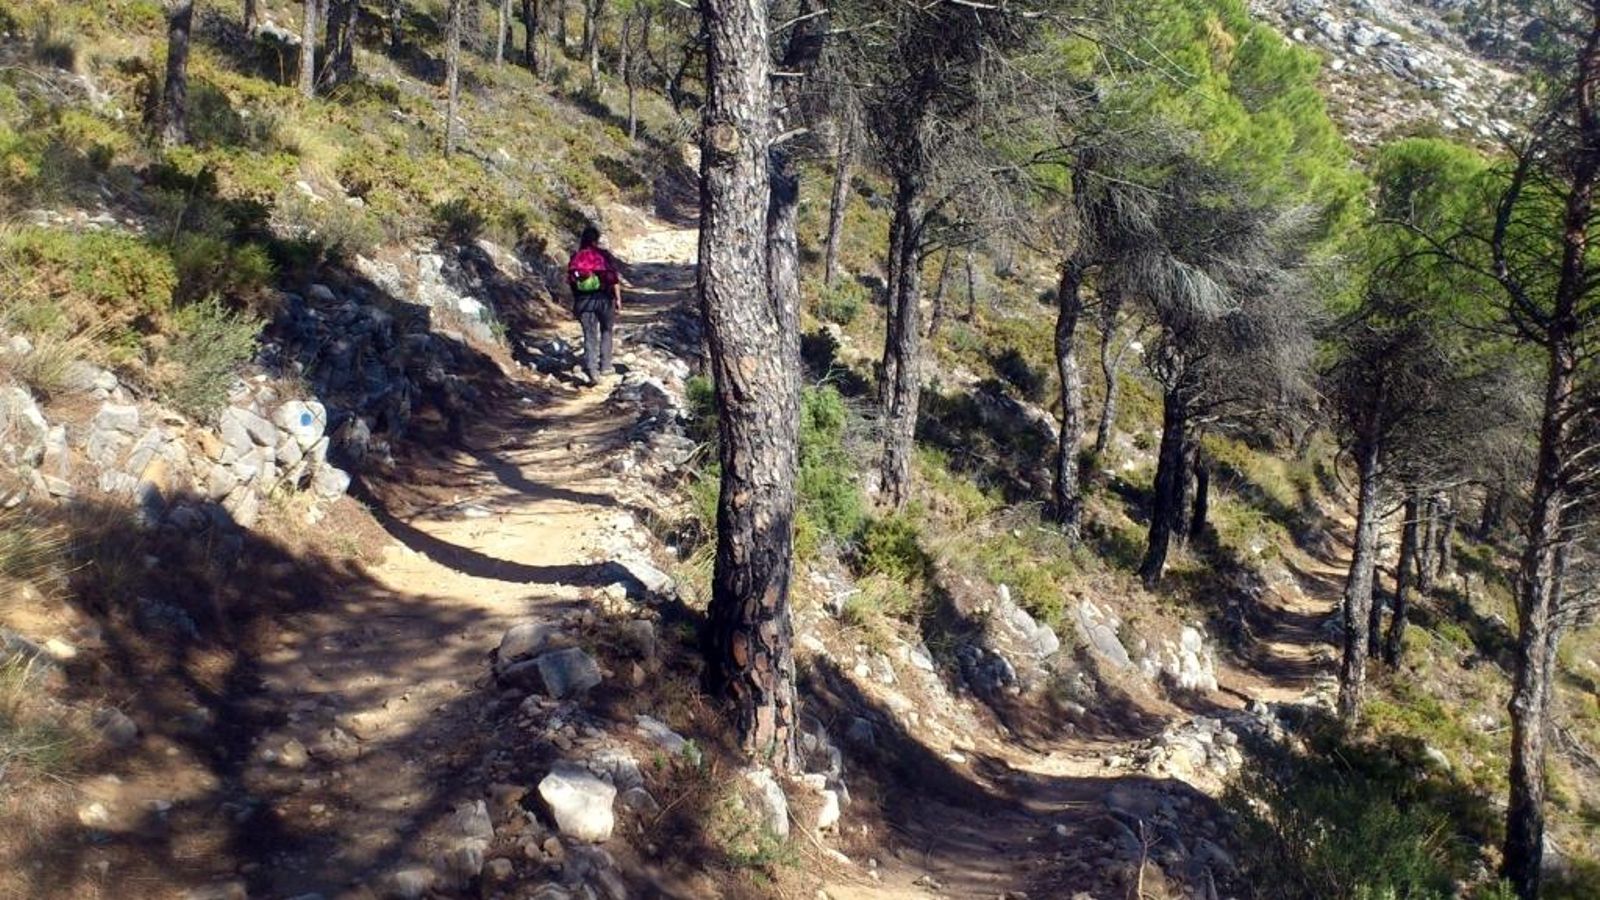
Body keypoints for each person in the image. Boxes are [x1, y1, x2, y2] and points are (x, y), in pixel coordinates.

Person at [566, 225, 623, 386]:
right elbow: (613, 279)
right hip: (604, 300)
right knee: (606, 330)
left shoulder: (576, 257)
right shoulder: (603, 256)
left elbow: (571, 282)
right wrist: (618, 299)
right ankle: (606, 365)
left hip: (583, 302)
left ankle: (592, 371)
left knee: (590, 336)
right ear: (596, 240)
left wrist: (576, 302)